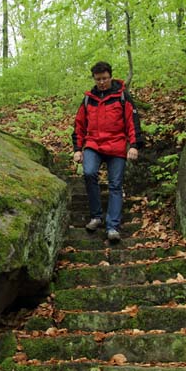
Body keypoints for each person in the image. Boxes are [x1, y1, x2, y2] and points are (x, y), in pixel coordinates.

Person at [72, 61, 142, 242]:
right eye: (98, 79)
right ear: (94, 79)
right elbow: (79, 126)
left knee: (115, 185)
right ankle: (96, 216)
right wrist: (78, 149)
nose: (101, 82)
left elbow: (132, 122)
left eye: (104, 78)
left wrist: (133, 145)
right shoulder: (88, 99)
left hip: (117, 146)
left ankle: (113, 227)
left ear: (110, 76)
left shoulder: (122, 96)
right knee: (88, 173)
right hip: (93, 145)